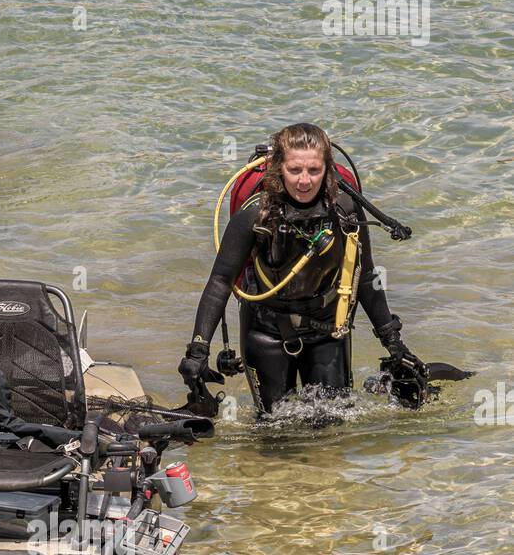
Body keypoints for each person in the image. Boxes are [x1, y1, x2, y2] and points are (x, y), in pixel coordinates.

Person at [180, 123, 427, 414]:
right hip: (265, 332)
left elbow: (366, 276)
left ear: (328, 169)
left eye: (314, 170)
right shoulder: (254, 214)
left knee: (331, 432)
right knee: (273, 432)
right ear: (278, 169)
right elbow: (221, 281)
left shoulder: (345, 209)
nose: (304, 181)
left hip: (328, 331)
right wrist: (198, 351)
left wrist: (394, 343)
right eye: (294, 170)